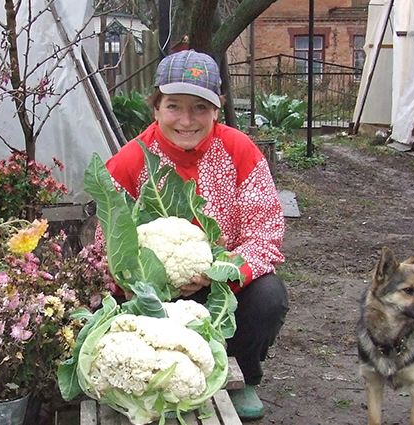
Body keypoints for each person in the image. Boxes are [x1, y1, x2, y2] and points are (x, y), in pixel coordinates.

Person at [97, 49, 289, 420]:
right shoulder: (130, 160)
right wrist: (143, 281)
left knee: (269, 295)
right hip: (147, 296)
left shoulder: (239, 150)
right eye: (174, 106)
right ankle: (151, 381)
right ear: (155, 108)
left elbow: (265, 233)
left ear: (217, 109)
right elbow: (105, 246)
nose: (187, 120)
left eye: (200, 107)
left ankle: (243, 375)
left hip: (221, 287)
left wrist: (221, 272)